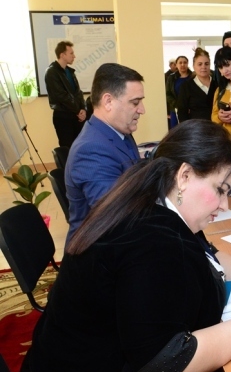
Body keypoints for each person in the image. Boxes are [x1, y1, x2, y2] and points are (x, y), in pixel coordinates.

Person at [22, 120, 231, 372]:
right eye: (220, 189)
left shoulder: (151, 202)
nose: (224, 205)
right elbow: (164, 362)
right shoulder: (152, 241)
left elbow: (206, 253)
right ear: (185, 176)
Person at [64, 63, 146, 245]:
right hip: (97, 252)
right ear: (108, 101)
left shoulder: (118, 132)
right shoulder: (91, 150)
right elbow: (118, 217)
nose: (142, 110)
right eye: (135, 102)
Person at [45, 41, 86, 148]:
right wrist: (78, 110)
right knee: (67, 149)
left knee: (79, 147)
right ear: (62, 55)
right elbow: (61, 96)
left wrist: (83, 109)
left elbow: (78, 92)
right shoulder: (52, 72)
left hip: (75, 115)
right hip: (63, 117)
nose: (74, 56)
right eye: (71, 53)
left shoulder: (69, 71)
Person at [177, 48, 218, 122]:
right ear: (193, 66)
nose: (203, 67)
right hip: (196, 130)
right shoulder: (186, 86)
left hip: (217, 128)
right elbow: (182, 113)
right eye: (200, 64)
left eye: (206, 64)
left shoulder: (218, 84)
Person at [166, 55, 191, 129]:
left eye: (185, 62)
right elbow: (168, 94)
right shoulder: (171, 77)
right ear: (176, 65)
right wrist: (177, 105)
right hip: (175, 109)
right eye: (180, 63)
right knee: (176, 131)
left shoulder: (193, 76)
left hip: (190, 110)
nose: (183, 65)